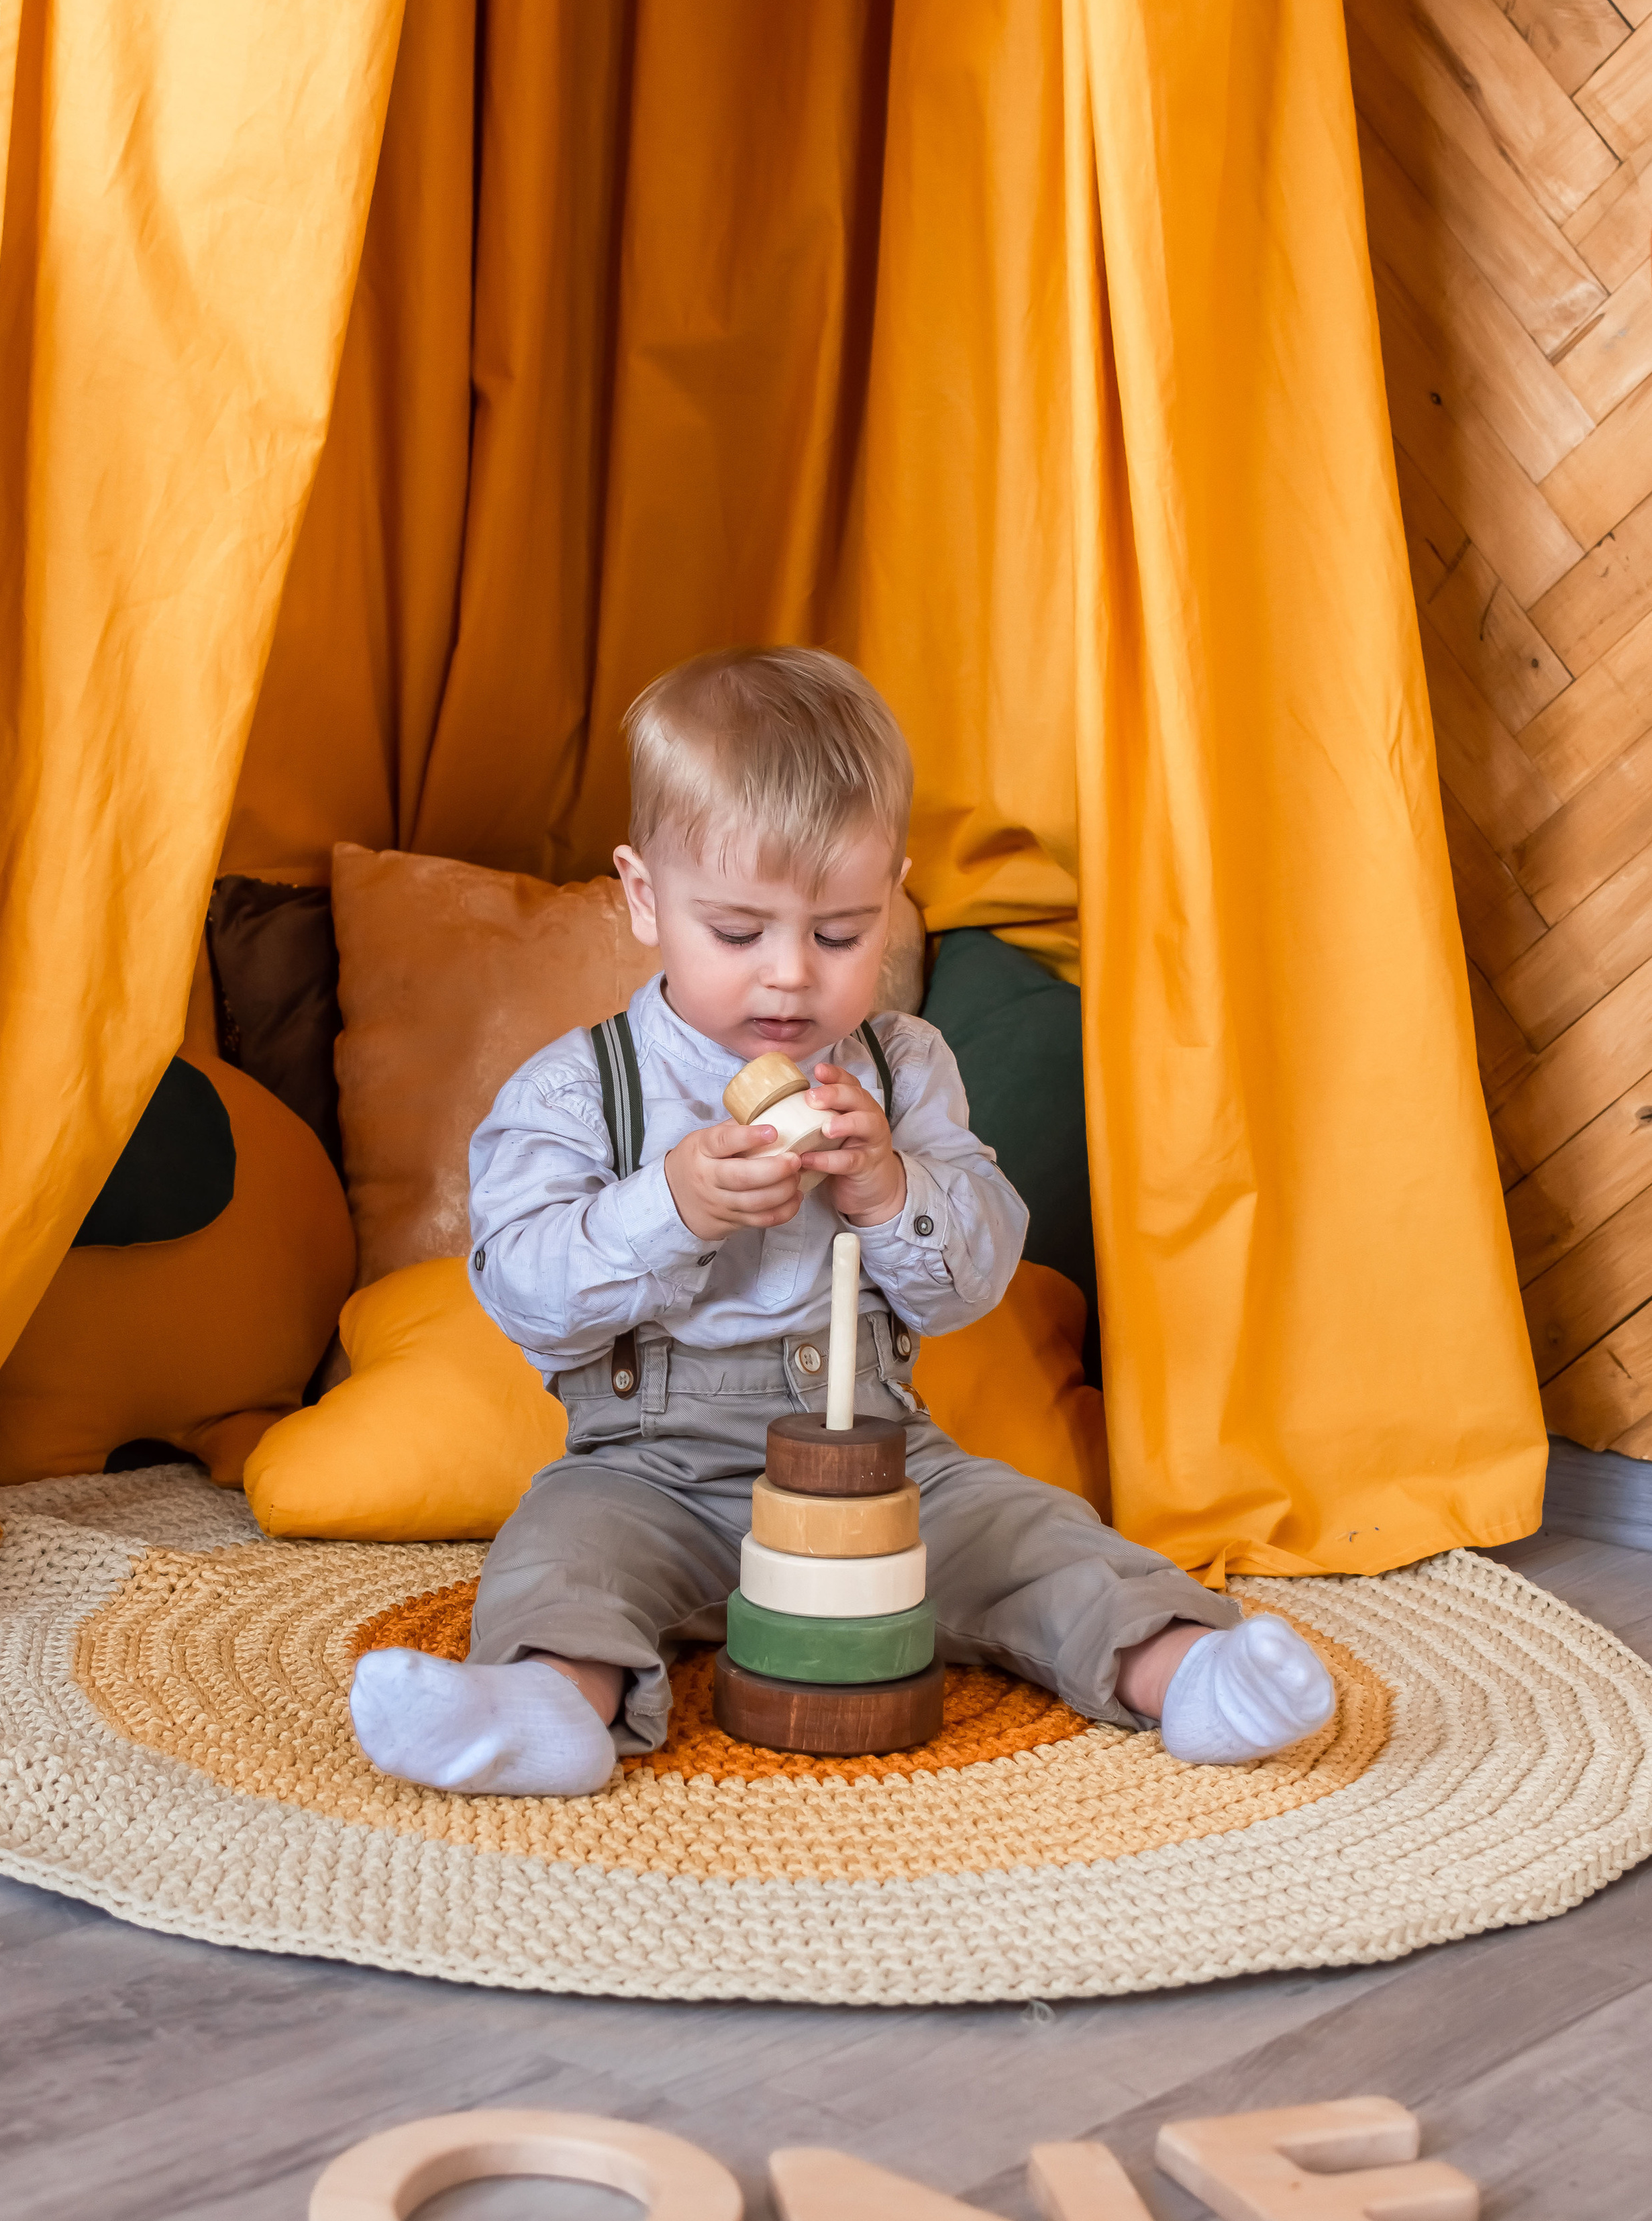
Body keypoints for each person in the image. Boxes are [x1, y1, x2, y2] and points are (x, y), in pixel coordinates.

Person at [350, 647, 1334, 1795]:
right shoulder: (580, 1088)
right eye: (737, 933)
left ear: (893, 898)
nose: (788, 982)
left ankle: (1191, 1671)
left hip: (882, 1460)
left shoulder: (903, 1070)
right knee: (562, 1566)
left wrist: (892, 1191)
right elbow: (520, 1291)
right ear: (644, 897)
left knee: (1039, 1538)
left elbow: (970, 1279)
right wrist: (670, 1208)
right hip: (648, 1469)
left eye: (838, 934)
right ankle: (543, 1709)